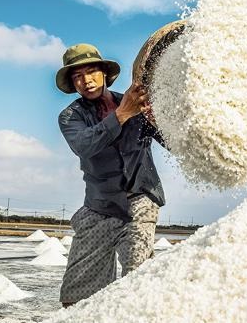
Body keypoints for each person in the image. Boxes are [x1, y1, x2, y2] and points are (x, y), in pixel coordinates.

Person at [55, 43, 166, 307]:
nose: (86, 80)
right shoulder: (71, 116)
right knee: (76, 294)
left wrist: (157, 114)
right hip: (99, 206)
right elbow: (84, 145)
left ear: (104, 74)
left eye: (91, 72)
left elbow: (170, 139)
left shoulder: (137, 106)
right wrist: (123, 114)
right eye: (77, 76)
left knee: (137, 278)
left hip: (140, 200)